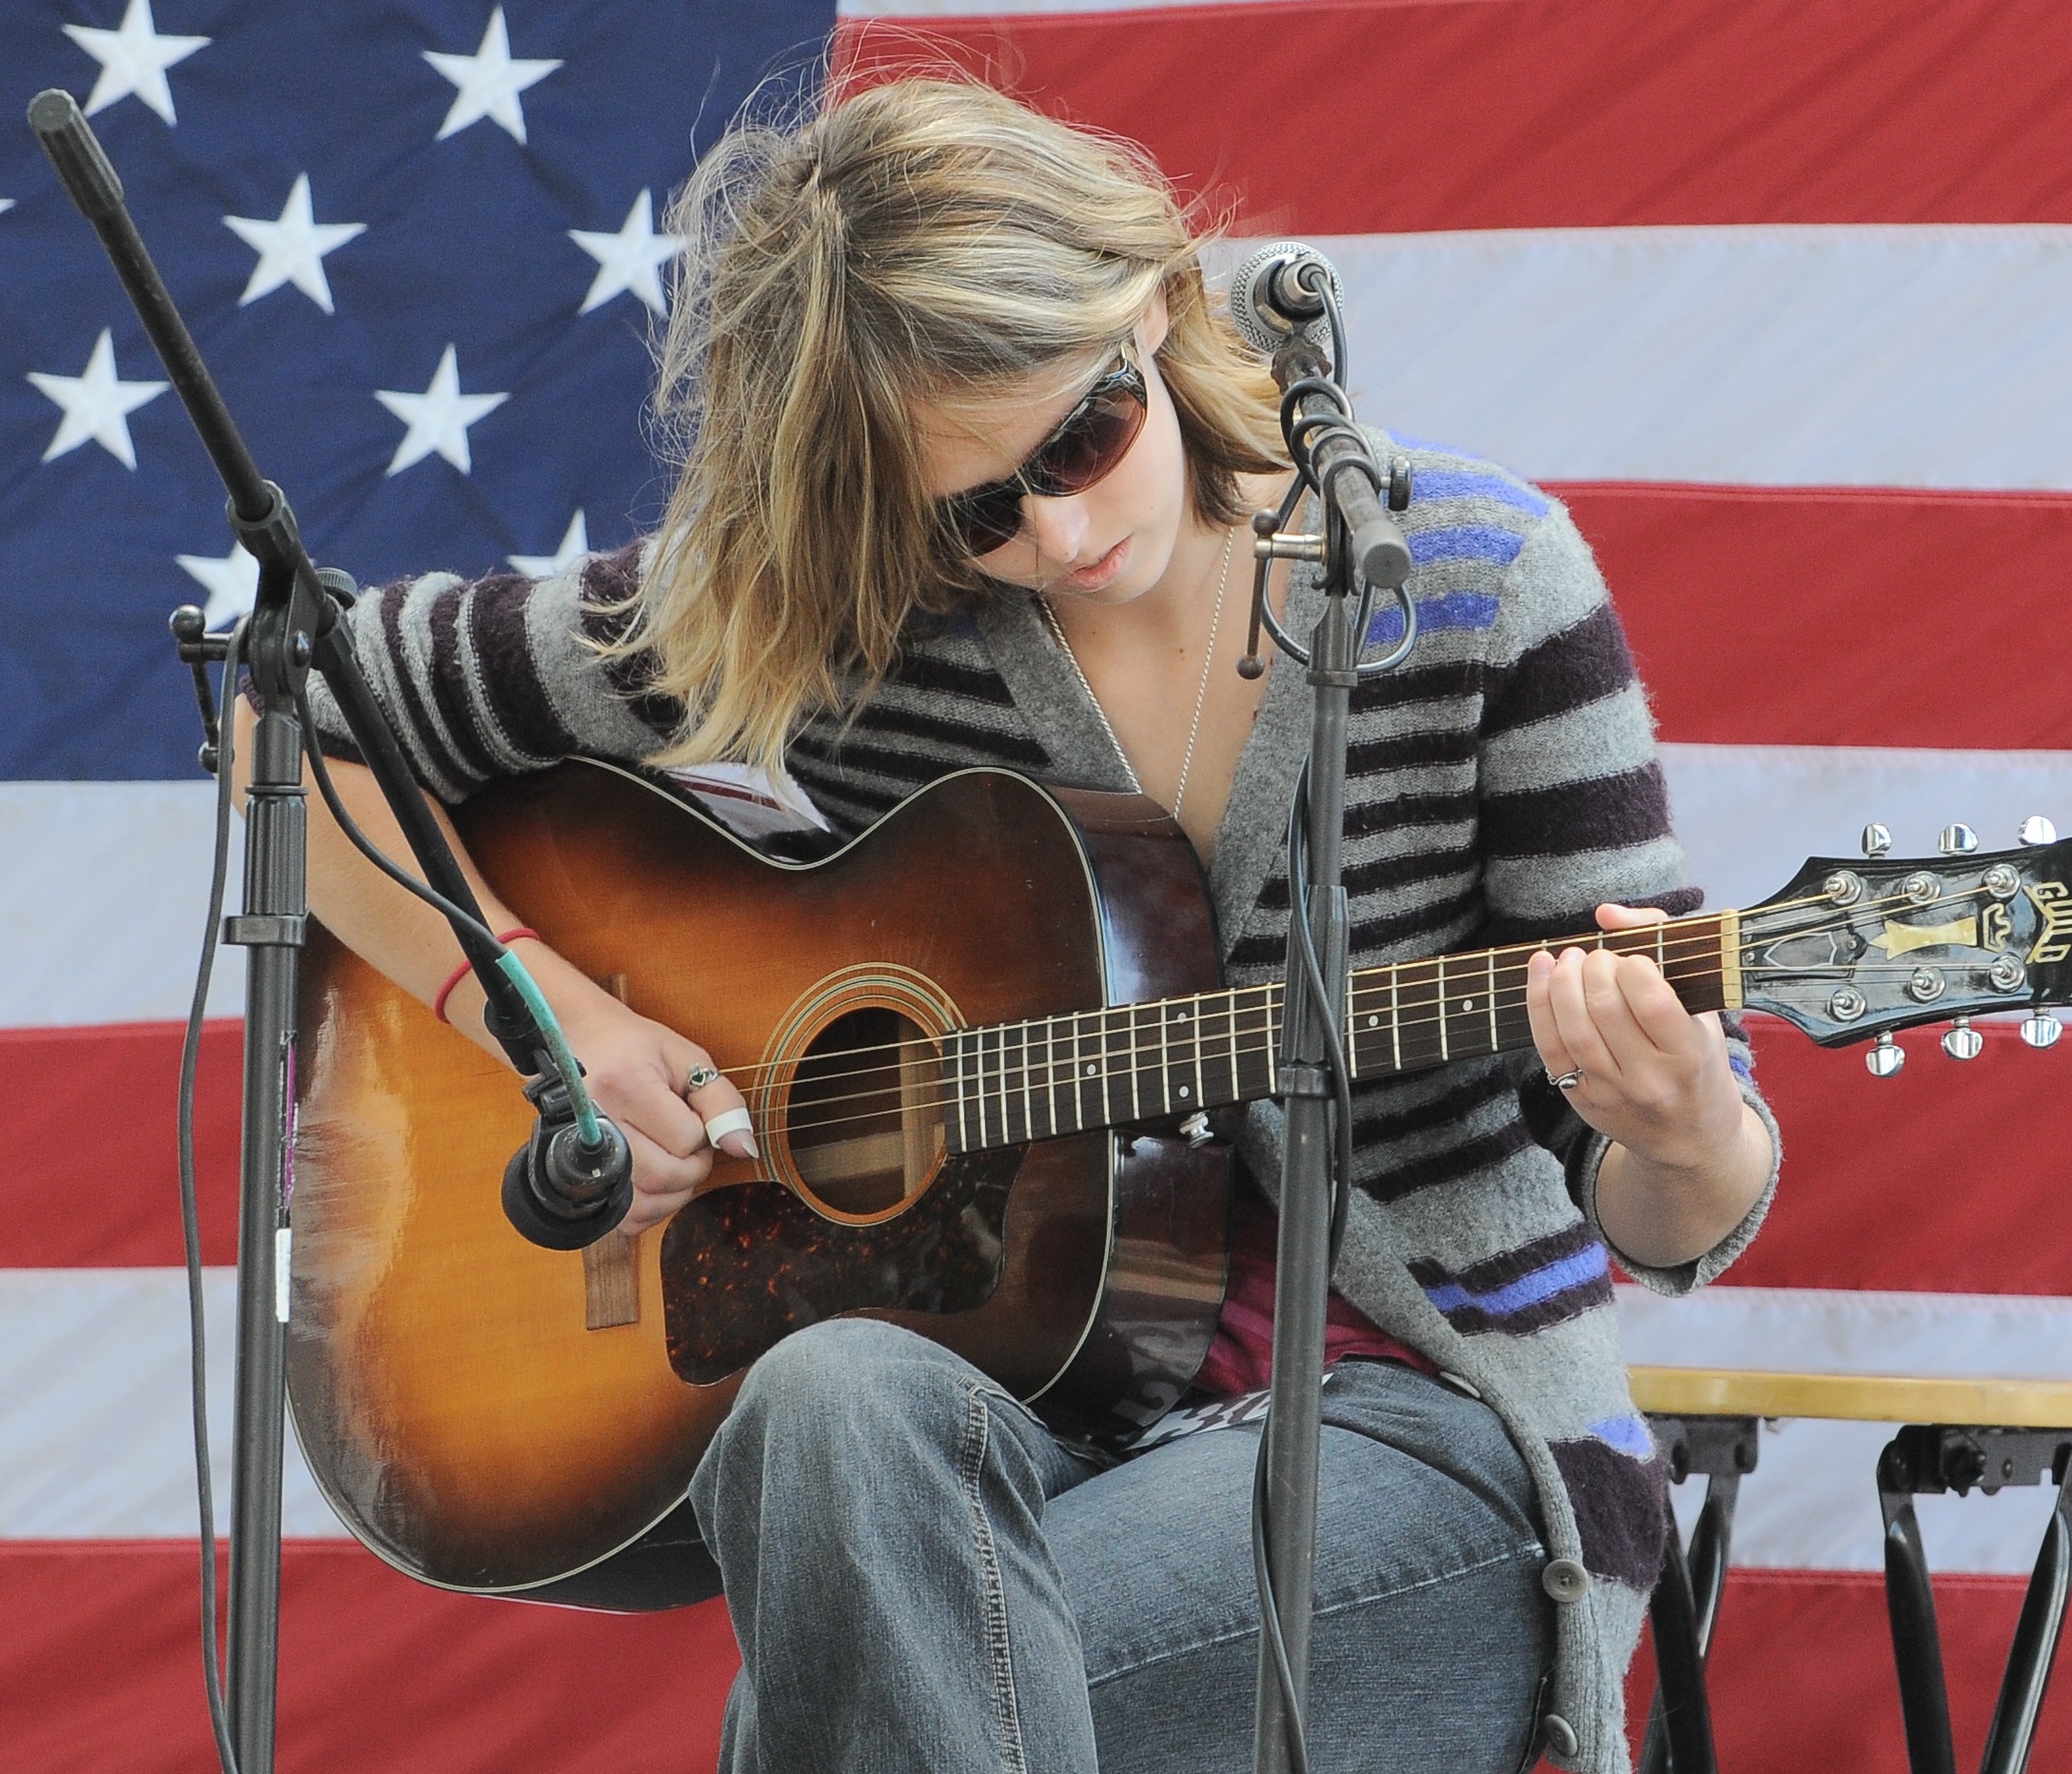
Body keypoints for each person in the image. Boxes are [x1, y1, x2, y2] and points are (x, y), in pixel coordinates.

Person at [260, 76, 1776, 1774]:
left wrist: (1682, 1125)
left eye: (1081, 437)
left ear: (1158, 306)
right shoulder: (849, 615)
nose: (1056, 532)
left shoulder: (1472, 587)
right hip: (1030, 1421)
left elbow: (1670, 1218)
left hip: (1422, 1434)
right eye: (976, 509)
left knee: (865, 1694)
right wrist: (542, 1019)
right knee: (827, 1401)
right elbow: (282, 716)